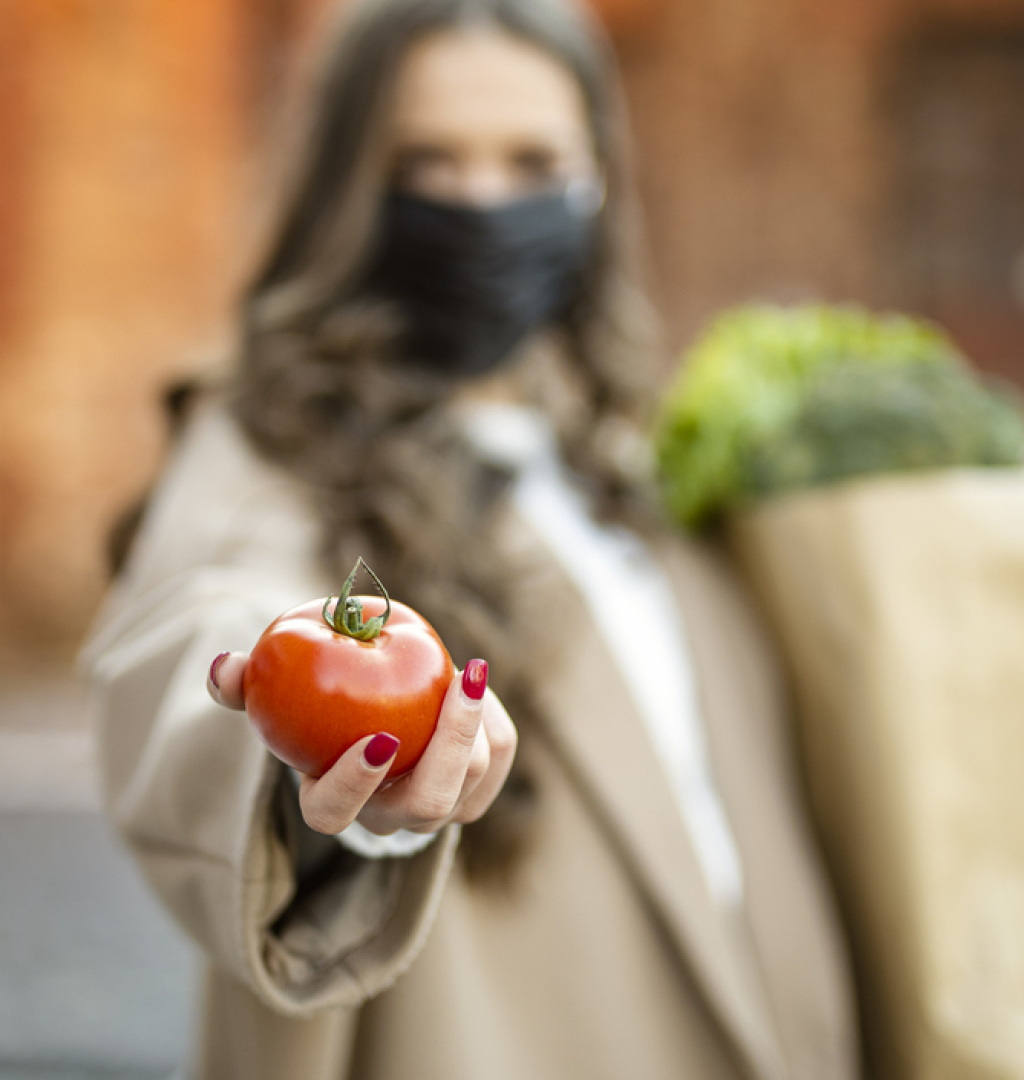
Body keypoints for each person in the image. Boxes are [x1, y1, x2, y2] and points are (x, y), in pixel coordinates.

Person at [78, 1, 859, 1076]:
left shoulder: (634, 456)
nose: (485, 205)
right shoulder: (263, 451)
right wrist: (330, 783)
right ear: (349, 191)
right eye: (427, 165)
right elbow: (202, 632)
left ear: (598, 183)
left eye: (533, 162)